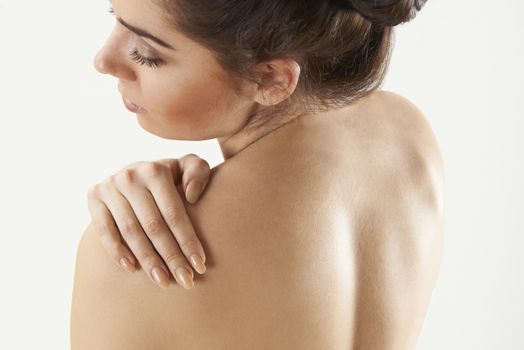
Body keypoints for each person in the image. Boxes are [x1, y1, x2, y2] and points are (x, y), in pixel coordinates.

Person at [70, 0, 444, 349]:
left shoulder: (137, 257)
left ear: (271, 80)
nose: (103, 60)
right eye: (114, 15)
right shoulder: (406, 135)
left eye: (147, 54)